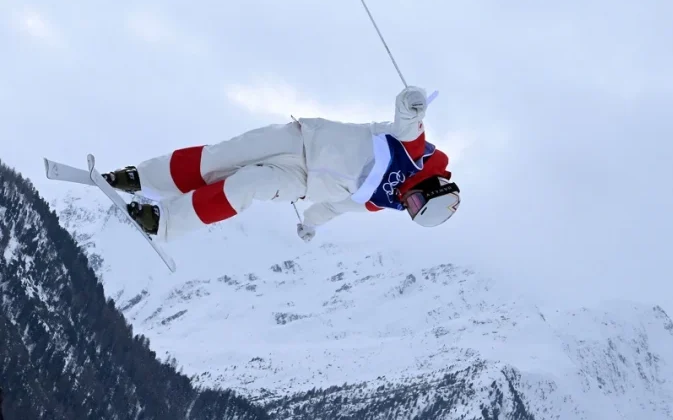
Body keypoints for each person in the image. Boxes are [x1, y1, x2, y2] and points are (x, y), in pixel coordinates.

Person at [102, 86, 460, 242]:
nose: (405, 204)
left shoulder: (381, 201)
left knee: (246, 185)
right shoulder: (412, 153)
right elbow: (406, 119)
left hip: (299, 181)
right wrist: (412, 102)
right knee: (220, 158)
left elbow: (335, 208)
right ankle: (143, 177)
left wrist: (310, 224)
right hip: (301, 139)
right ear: (430, 187)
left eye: (410, 211)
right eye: (415, 202)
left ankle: (163, 222)